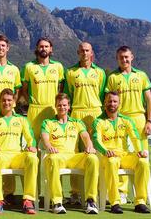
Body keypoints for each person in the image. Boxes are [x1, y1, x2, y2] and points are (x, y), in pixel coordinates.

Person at [106, 45, 151, 202]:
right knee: (121, 154)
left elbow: (149, 100)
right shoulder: (113, 77)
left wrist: (149, 121)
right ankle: (122, 193)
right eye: (121, 57)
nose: (124, 60)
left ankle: (145, 194)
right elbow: (109, 101)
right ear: (117, 59)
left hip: (139, 118)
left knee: (143, 157)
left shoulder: (141, 75)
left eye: (127, 57)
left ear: (132, 57)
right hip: (120, 119)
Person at [92, 92, 151, 214]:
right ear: (105, 103)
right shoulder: (98, 121)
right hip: (107, 156)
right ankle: (115, 202)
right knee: (112, 161)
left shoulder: (126, 120)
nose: (112, 104)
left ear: (119, 103)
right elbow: (96, 140)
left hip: (124, 155)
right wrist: (105, 151)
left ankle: (140, 202)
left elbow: (135, 137)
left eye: (115, 101)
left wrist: (139, 150)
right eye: (109, 101)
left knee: (143, 162)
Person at [40, 93, 99, 214]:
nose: (62, 107)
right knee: (53, 159)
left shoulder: (77, 122)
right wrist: (50, 147)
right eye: (59, 105)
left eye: (64, 105)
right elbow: (45, 139)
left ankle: (90, 201)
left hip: (74, 157)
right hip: (57, 156)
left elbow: (86, 137)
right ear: (56, 106)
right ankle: (57, 201)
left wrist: (89, 147)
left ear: (69, 106)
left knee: (93, 159)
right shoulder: (47, 122)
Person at [0, 89, 38, 214]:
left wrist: (31, 146)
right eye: (3, 100)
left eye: (9, 100)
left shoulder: (22, 120)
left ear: (14, 102)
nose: (6, 103)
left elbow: (30, 138)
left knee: (32, 158)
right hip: (1, 156)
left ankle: (28, 200)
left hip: (17, 156)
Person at [64, 42, 106, 205]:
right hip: (77, 112)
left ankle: (96, 192)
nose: (84, 53)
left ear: (92, 53)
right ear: (77, 52)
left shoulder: (100, 72)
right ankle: (75, 193)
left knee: (96, 152)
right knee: (76, 152)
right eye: (81, 50)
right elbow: (68, 95)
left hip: (95, 112)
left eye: (87, 50)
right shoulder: (71, 72)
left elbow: (102, 96)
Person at [21, 37, 65, 139]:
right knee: (33, 140)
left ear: (51, 49)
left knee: (53, 140)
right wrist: (31, 102)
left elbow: (62, 88)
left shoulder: (58, 66)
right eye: (41, 46)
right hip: (35, 109)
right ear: (37, 48)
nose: (43, 49)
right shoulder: (29, 67)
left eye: (46, 46)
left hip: (52, 108)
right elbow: (24, 89)